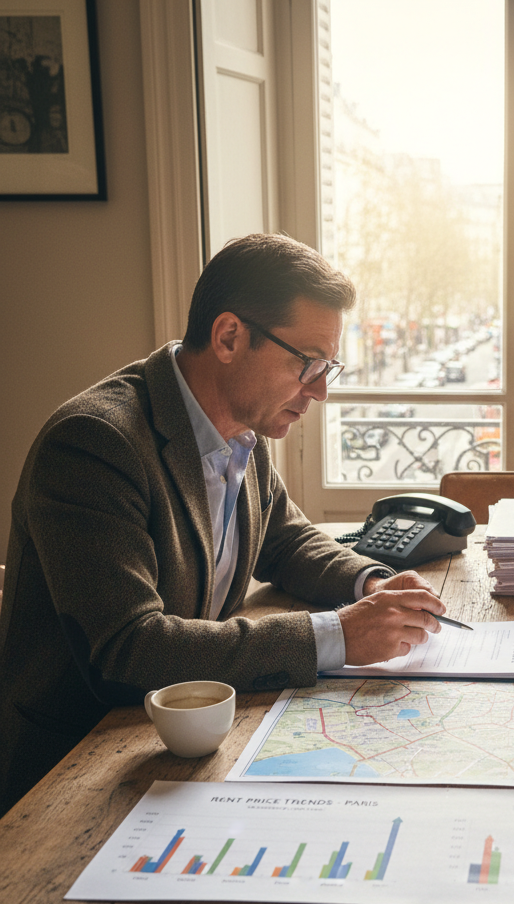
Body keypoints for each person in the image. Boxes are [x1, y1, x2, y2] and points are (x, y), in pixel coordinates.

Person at [0, 234, 447, 815]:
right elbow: (129, 651)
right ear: (230, 337)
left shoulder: (240, 424)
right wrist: (337, 634)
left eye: (328, 366)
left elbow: (285, 538)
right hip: (72, 772)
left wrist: (372, 583)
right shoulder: (93, 444)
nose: (320, 391)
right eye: (307, 363)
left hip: (189, 737)